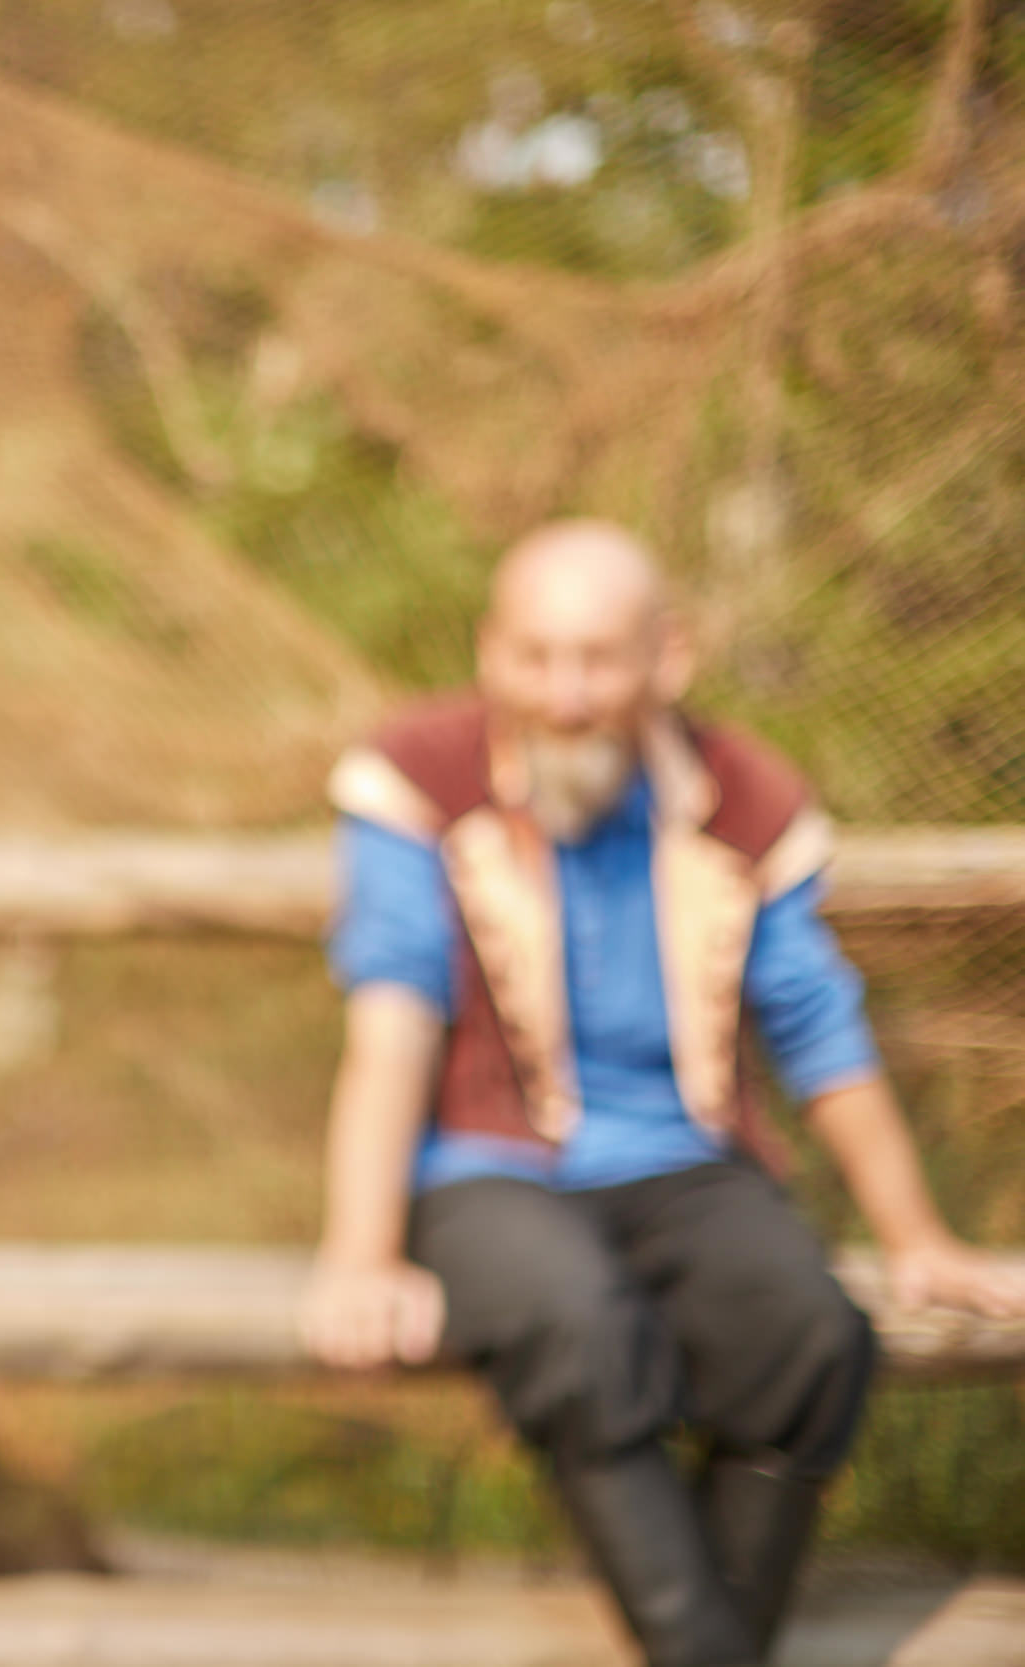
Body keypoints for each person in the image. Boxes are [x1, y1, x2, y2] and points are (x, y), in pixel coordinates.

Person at [298, 521, 1025, 1667]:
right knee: (579, 1325)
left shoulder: (748, 795)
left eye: (597, 658)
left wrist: (915, 1233)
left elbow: (816, 1026)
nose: (566, 693)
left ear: (666, 655)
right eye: (535, 657)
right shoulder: (415, 778)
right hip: (486, 1171)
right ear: (490, 652)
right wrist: (358, 1250)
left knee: (812, 1336)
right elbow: (389, 1023)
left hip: (686, 1161)